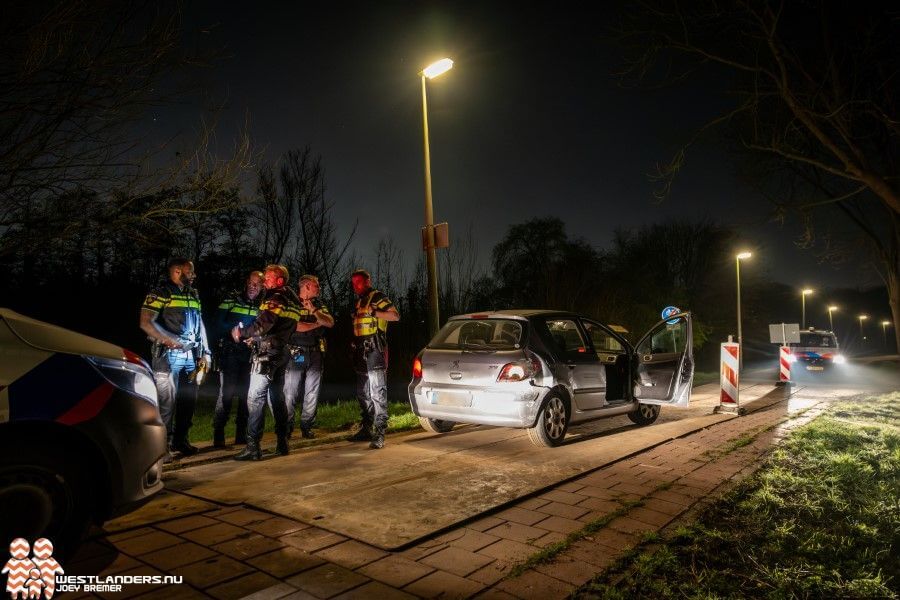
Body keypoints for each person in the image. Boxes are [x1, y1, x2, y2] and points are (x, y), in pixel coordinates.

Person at [140, 258, 211, 457]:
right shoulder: (160, 292)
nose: (194, 275)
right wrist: (170, 340)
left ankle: (181, 441)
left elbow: (201, 323)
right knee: (166, 403)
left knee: (189, 400)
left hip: (192, 356)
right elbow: (145, 322)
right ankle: (161, 448)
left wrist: (206, 352)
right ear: (178, 271)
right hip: (167, 356)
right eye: (191, 272)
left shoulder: (193, 294)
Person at [232, 264, 301, 461]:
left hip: (266, 355)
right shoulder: (294, 300)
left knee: (255, 398)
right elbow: (280, 327)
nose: (265, 281)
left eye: (269, 278)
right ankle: (282, 443)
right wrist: (256, 338)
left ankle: (253, 447)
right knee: (277, 399)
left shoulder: (276, 297)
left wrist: (242, 333)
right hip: (281, 353)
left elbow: (264, 324)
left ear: (280, 280)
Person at [348, 269, 400, 449]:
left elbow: (395, 315)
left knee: (377, 392)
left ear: (367, 281)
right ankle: (366, 428)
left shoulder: (377, 297)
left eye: (359, 282)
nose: (356, 286)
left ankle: (380, 432)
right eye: (353, 283)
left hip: (375, 350)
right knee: (363, 393)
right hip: (360, 351)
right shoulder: (358, 301)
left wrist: (375, 312)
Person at [211, 271, 263, 447]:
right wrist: (231, 330)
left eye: (257, 285)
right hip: (230, 352)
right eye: (251, 283)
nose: (253, 287)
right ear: (246, 282)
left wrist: (253, 339)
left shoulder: (260, 306)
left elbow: (261, 329)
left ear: (262, 287)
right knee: (227, 393)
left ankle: (241, 435)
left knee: (245, 395)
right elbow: (217, 324)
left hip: (249, 355)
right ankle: (218, 435)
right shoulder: (231, 299)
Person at [284, 274, 334, 439]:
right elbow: (296, 326)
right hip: (296, 353)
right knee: (290, 391)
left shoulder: (318, 305)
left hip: (315, 353)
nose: (319, 288)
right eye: (316, 286)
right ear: (306, 286)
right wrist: (316, 323)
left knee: (312, 391)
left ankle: (307, 426)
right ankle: (286, 427)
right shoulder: (293, 304)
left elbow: (330, 322)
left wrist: (314, 311)